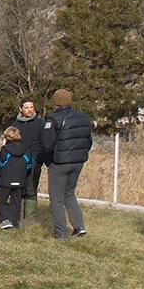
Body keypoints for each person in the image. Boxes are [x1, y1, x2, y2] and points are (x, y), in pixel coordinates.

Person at [40, 89, 92, 239]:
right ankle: (79, 227)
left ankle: (61, 232)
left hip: (59, 163)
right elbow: (88, 141)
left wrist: (48, 161)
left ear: (55, 103)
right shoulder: (83, 117)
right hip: (78, 162)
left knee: (56, 198)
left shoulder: (52, 119)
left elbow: (47, 144)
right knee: (69, 193)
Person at [12, 100, 45, 223]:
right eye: (26, 107)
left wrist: (40, 157)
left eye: (31, 107)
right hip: (18, 161)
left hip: (34, 160)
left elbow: (45, 142)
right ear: (21, 109)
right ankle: (17, 217)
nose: (29, 110)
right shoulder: (15, 124)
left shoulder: (40, 123)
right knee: (18, 188)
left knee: (31, 189)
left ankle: (29, 220)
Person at [0, 126, 32, 229]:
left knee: (2, 201)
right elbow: (29, 165)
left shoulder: (5, 150)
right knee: (16, 202)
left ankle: (4, 219)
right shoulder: (25, 149)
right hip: (20, 179)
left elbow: (1, 163)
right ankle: (15, 222)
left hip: (6, 180)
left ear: (6, 137)